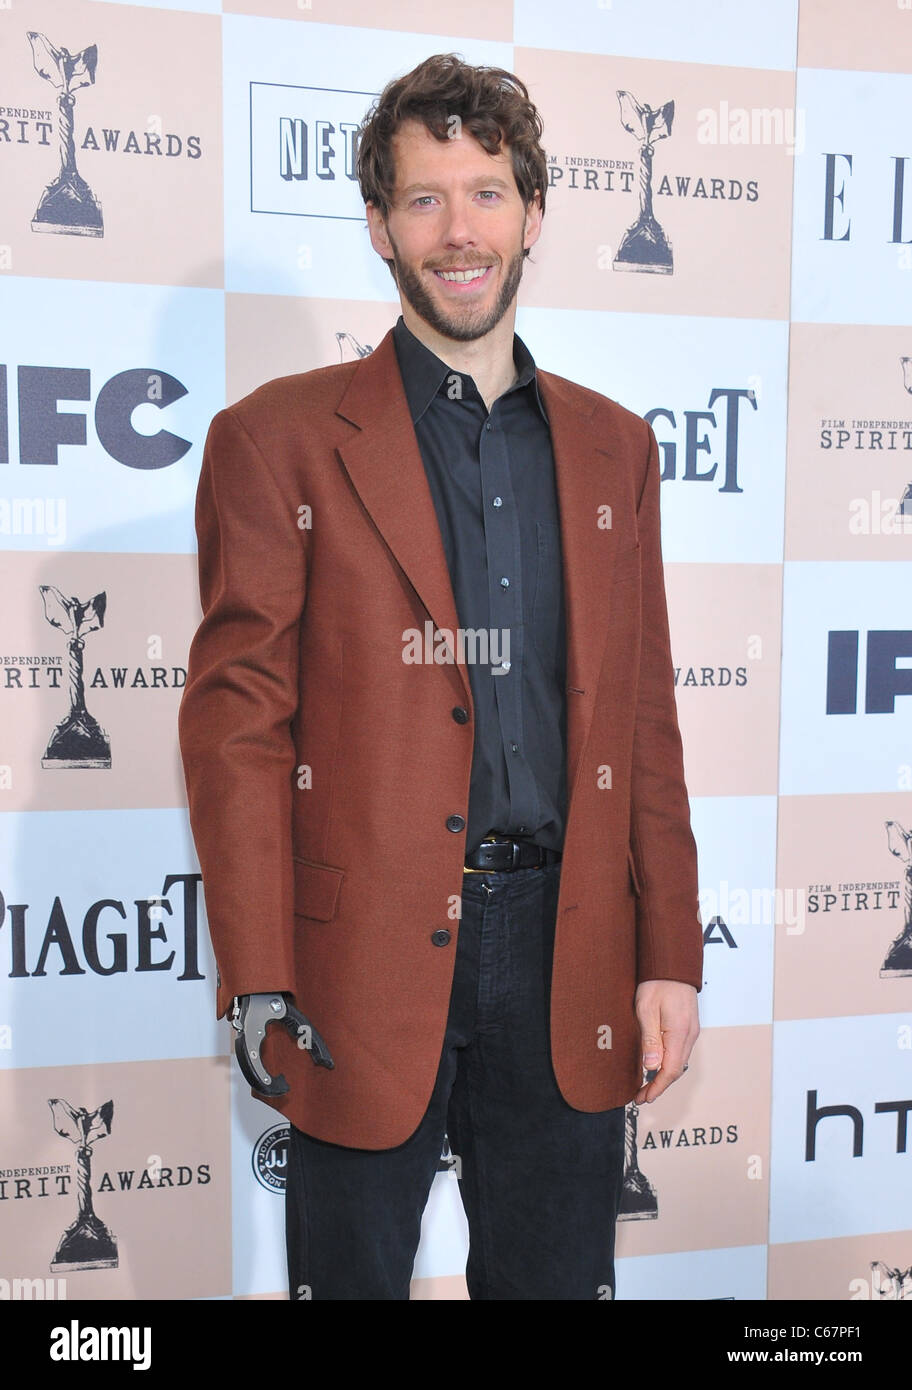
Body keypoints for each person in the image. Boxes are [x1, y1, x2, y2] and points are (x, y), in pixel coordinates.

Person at [178, 53, 703, 1301]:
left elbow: (642, 705)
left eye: (484, 192)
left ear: (532, 213)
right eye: (424, 198)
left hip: (568, 940)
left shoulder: (615, 446)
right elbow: (239, 720)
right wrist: (258, 970)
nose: (458, 230)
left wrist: (668, 949)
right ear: (377, 225)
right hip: (357, 956)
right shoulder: (278, 439)